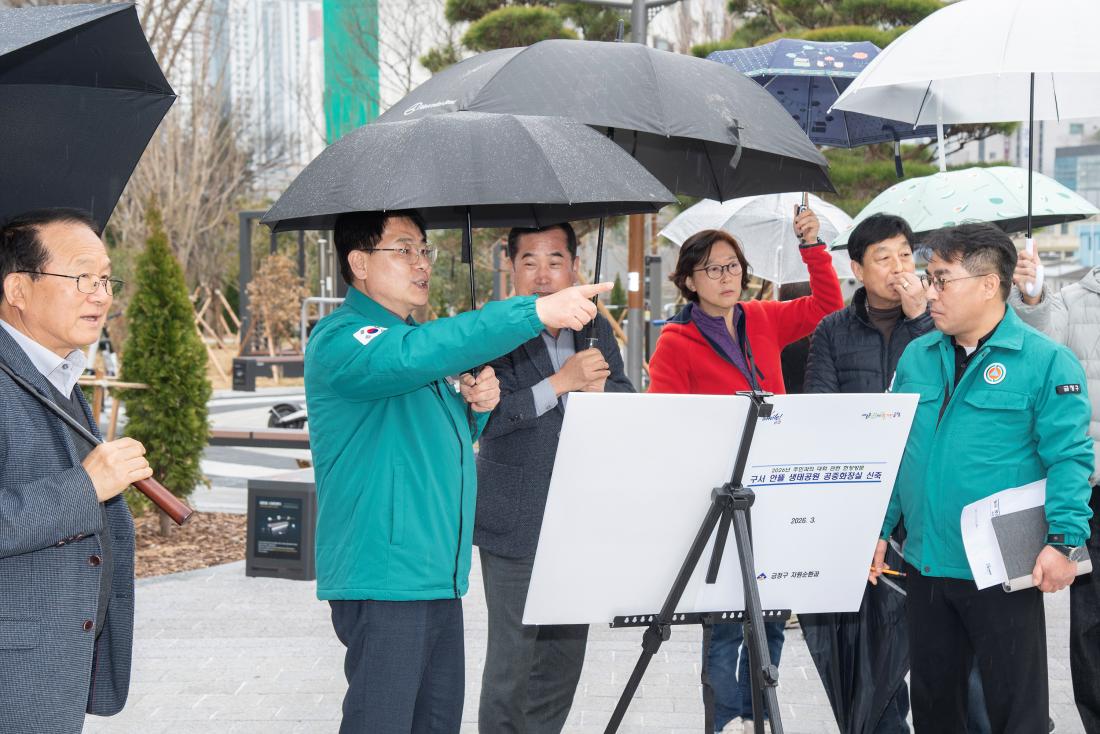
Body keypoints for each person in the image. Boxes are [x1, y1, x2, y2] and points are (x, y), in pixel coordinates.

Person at [304, 210, 611, 733]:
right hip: (385, 574)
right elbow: (410, 357)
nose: (421, 263)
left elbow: (433, 434)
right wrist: (533, 311)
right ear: (358, 262)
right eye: (403, 250)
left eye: (424, 249)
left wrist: (478, 405)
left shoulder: (410, 343)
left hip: (437, 574)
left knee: (436, 723)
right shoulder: (345, 338)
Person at [872, 223, 1093, 734]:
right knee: (935, 708)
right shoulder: (917, 357)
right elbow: (897, 451)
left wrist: (1064, 541)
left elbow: (1069, 459)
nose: (930, 292)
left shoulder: (1044, 361)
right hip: (926, 562)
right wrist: (879, 530)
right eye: (928, 278)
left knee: (1016, 712)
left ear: (989, 284)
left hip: (1002, 569)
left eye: (942, 279)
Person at [648, 208, 844, 734]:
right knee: (724, 621)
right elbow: (663, 418)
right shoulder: (675, 341)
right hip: (719, 492)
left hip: (775, 484)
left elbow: (828, 305)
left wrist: (813, 247)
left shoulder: (762, 317)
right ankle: (721, 719)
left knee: (772, 608)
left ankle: (762, 711)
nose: (727, 276)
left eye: (733, 266)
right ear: (689, 280)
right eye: (713, 269)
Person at [474, 222, 634, 733]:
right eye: (530, 262)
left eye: (556, 260)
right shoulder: (492, 330)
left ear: (574, 266)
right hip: (515, 515)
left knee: (563, 662)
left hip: (579, 518)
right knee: (511, 663)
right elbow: (488, 421)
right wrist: (560, 384)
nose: (544, 275)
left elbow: (627, 399)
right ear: (511, 267)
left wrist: (600, 393)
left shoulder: (593, 329)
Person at [0, 208, 153, 733]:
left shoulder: (55, 371)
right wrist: (87, 485)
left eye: (106, 278)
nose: (102, 294)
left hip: (51, 667)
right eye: (82, 277)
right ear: (18, 289)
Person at [1010, 248, 1100, 733]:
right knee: (1090, 624)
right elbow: (1039, 345)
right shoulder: (1071, 299)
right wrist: (1031, 295)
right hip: (1092, 487)